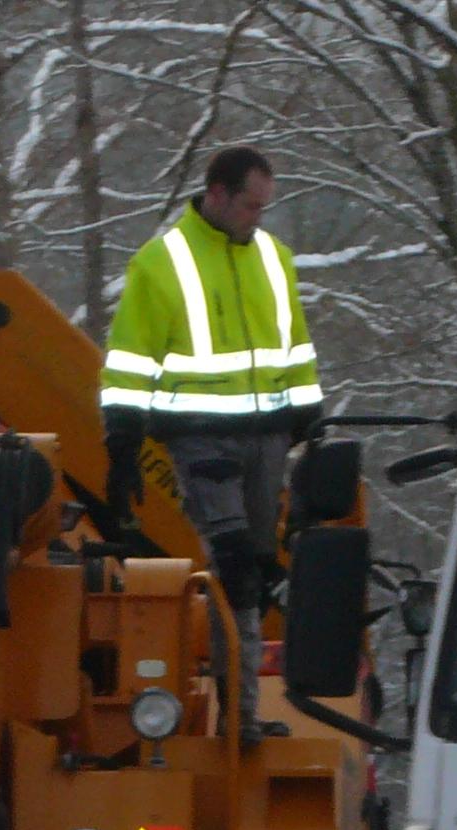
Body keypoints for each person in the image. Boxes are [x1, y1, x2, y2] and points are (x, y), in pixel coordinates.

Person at [98, 144, 322, 729]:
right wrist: (121, 444)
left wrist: (307, 413)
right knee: (234, 566)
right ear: (216, 195)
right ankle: (239, 721)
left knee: (255, 567)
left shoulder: (274, 259)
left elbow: (295, 347)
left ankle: (240, 718)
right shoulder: (161, 262)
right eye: (250, 206)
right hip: (200, 441)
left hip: (267, 436)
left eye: (264, 208)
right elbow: (129, 361)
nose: (258, 218)